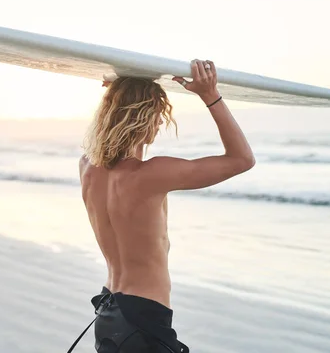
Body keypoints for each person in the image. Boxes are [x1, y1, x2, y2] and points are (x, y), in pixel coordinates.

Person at [68, 60, 255, 352]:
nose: (159, 123)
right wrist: (210, 96)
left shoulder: (87, 169)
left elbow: (110, 145)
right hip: (144, 321)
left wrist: (119, 95)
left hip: (109, 315)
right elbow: (242, 159)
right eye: (157, 116)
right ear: (142, 119)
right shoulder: (151, 175)